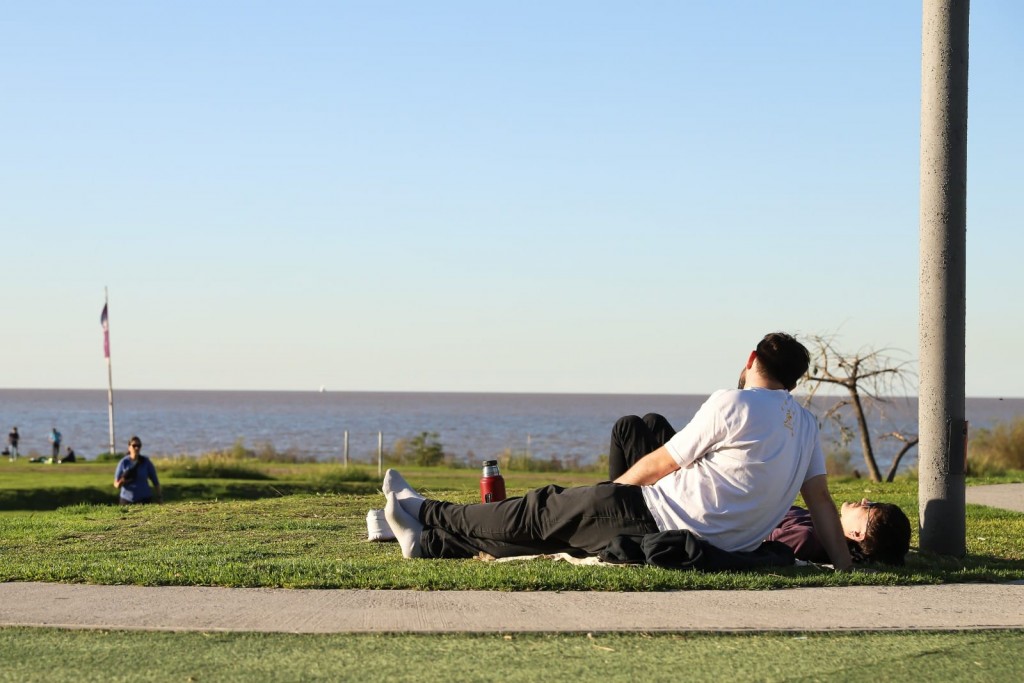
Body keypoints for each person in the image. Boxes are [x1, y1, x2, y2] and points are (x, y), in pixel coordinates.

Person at [383, 332, 854, 570]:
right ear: (795, 381)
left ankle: (424, 509)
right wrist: (845, 566)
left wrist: (606, 494)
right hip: (710, 544)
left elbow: (660, 463)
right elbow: (821, 505)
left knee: (539, 510)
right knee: (555, 529)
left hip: (656, 518)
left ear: (751, 361)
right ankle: (429, 543)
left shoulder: (736, 402)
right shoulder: (808, 426)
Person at [768, 500, 912, 566]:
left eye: (869, 507)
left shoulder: (808, 538)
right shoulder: (824, 523)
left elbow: (753, 536)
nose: (864, 500)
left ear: (857, 533)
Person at [113, 436, 162, 504]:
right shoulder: (124, 462)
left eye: (139, 446)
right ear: (129, 447)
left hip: (144, 499)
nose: (137, 448)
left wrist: (159, 497)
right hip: (126, 500)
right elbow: (116, 483)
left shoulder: (146, 462)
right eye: (134, 445)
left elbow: (155, 481)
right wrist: (120, 483)